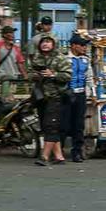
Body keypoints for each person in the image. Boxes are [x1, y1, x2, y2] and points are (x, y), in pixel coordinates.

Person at [29, 36, 71, 166]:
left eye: (48, 42)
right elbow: (29, 73)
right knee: (46, 126)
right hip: (41, 97)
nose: (45, 44)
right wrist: (35, 76)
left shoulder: (60, 58)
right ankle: (59, 156)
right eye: (43, 42)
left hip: (55, 96)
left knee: (51, 126)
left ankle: (45, 156)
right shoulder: (36, 58)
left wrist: (53, 75)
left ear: (53, 44)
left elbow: (68, 75)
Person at [60, 34, 95, 163]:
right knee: (64, 124)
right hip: (68, 94)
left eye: (85, 46)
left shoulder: (86, 60)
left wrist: (93, 93)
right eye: (82, 45)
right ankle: (60, 151)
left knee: (79, 125)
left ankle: (77, 152)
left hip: (81, 95)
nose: (84, 48)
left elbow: (90, 77)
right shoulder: (65, 59)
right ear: (73, 46)